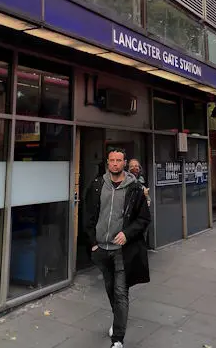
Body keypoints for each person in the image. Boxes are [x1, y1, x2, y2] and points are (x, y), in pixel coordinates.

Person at [84, 148, 151, 348]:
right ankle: (118, 320)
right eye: (112, 160)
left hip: (122, 250)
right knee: (110, 289)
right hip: (101, 250)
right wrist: (92, 244)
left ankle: (118, 339)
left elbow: (144, 218)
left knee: (121, 292)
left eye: (119, 160)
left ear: (124, 163)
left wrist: (127, 233)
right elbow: (87, 215)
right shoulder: (97, 185)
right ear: (107, 162)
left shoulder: (135, 189)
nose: (115, 163)